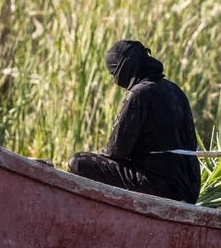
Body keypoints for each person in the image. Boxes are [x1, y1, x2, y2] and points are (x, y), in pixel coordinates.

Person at [67, 40, 201, 204]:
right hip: (191, 189)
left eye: (114, 73)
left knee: (78, 162)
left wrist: (97, 155)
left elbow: (116, 151)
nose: (116, 81)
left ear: (125, 67)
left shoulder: (140, 93)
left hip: (162, 187)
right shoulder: (175, 90)